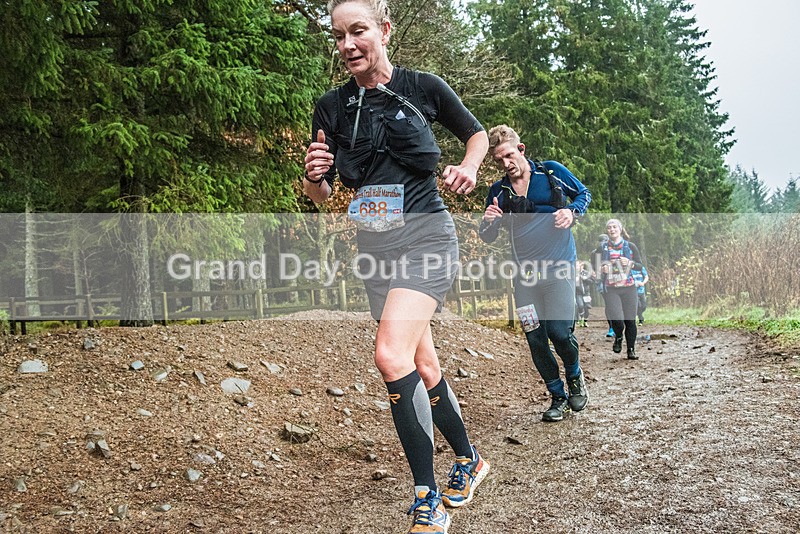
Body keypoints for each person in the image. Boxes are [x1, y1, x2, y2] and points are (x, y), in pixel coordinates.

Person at [303, 1, 489, 532]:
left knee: (389, 355)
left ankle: (425, 495)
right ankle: (470, 460)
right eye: (338, 36)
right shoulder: (331, 108)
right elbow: (320, 196)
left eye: (357, 31)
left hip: (427, 236)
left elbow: (474, 134)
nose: (346, 45)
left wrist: (470, 167)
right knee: (421, 366)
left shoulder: (422, 86)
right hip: (374, 250)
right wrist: (315, 177)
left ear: (384, 31)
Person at [479, 125, 591, 422]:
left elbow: (583, 193)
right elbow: (487, 236)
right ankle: (557, 396)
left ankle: (575, 376)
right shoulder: (498, 192)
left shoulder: (550, 173)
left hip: (559, 267)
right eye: (499, 160)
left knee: (558, 332)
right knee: (535, 338)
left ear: (521, 149)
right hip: (524, 277)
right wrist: (489, 221)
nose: (506, 164)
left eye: (509, 156)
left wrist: (572, 212)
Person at [599, 219, 644, 360]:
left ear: (620, 229)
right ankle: (618, 336)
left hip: (629, 287)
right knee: (617, 319)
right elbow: (596, 266)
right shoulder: (602, 248)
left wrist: (630, 263)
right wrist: (603, 268)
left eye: (614, 227)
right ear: (607, 231)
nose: (612, 230)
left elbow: (640, 266)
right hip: (612, 288)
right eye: (609, 228)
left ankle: (631, 350)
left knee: (630, 320)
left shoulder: (630, 247)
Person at [574, 260, 593, 327]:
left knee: (586, 307)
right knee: (580, 305)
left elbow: (591, 281)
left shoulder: (586, 273)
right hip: (578, 293)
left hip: (586, 293)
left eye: (578, 265)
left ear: (582, 266)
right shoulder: (573, 274)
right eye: (576, 265)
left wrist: (585, 279)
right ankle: (581, 319)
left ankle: (585, 320)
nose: (577, 267)